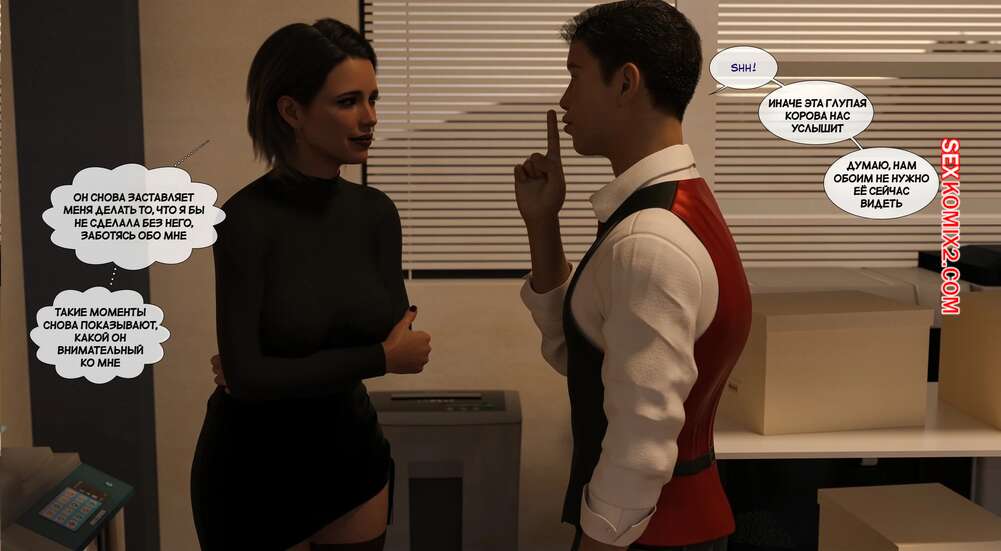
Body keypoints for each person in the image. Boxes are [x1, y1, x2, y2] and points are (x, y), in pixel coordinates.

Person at [514, 2, 751, 550]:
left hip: (650, 535)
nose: (564, 100)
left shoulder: (648, 240)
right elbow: (584, 358)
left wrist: (599, 541)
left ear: (625, 82)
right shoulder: (678, 205)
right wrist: (543, 224)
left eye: (575, 75)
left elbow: (640, 443)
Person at [190, 18, 431, 551]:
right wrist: (379, 358)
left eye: (373, 99)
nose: (370, 117)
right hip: (251, 474)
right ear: (291, 111)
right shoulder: (245, 220)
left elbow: (399, 334)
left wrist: (277, 367)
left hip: (352, 461)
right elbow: (249, 379)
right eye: (348, 102)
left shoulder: (377, 213)